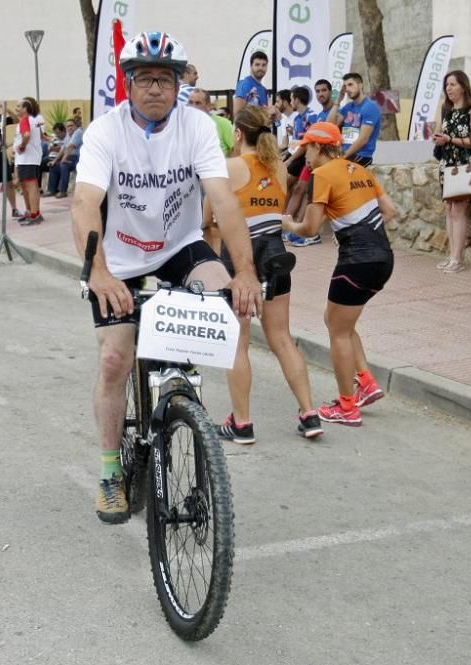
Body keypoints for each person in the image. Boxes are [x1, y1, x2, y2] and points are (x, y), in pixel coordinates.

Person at [71, 30, 263, 523]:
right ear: (128, 84)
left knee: (225, 301)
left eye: (165, 79)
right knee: (115, 359)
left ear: (179, 85)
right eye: (145, 78)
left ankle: (184, 399)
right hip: (119, 257)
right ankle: (111, 470)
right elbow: (85, 203)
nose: (155, 88)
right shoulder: (105, 132)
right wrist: (98, 273)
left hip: (179, 246)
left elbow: (222, 199)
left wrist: (244, 273)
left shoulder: (196, 126)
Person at [202, 104, 322, 443]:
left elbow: (207, 219)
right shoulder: (280, 168)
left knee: (238, 343)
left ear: (238, 134)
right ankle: (309, 413)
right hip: (276, 256)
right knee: (282, 338)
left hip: (240, 260)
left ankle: (242, 423)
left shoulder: (228, 167)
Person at [282, 122, 396, 426]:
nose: (303, 153)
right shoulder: (359, 169)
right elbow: (391, 210)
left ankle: (347, 406)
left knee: (338, 330)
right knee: (338, 321)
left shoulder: (321, 175)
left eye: (306, 146)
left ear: (319, 147)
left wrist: (288, 225)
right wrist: (363, 228)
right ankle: (366, 382)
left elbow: (309, 227)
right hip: (383, 259)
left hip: (356, 261)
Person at [432, 70, 471, 273]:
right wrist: (437, 137)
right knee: (449, 208)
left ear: (463, 86)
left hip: (465, 163)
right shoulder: (445, 109)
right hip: (447, 163)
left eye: (453, 84)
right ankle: (451, 255)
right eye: (447, 85)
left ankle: (457, 258)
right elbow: (439, 131)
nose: (449, 88)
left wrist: (450, 140)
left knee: (459, 210)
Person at [283, 86, 322, 247]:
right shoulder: (298, 118)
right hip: (300, 157)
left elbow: (309, 143)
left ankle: (301, 228)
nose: (290, 102)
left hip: (307, 159)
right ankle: (288, 224)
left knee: (307, 192)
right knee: (298, 188)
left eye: (291, 98)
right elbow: (296, 143)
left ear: (297, 99)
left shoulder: (312, 116)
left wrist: (290, 160)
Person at [328, 72, 381, 166]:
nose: (347, 89)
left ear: (360, 85)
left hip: (361, 155)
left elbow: (363, 139)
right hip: (345, 154)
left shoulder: (369, 106)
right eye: (345, 86)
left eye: (350, 85)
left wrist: (343, 157)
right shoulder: (348, 107)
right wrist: (338, 100)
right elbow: (330, 126)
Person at [13, 97, 44, 225]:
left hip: (27, 158)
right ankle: (34, 212)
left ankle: (34, 214)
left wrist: (21, 147)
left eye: (19, 106)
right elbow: (42, 135)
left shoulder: (25, 120)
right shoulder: (34, 120)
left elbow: (26, 135)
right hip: (34, 157)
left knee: (30, 186)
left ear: (25, 109)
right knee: (32, 186)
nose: (17, 109)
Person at [187, 88, 233, 156]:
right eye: (190, 102)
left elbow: (236, 148)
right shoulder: (184, 125)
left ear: (208, 106)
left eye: (198, 103)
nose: (193, 106)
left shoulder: (223, 123)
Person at [234, 50, 269, 116]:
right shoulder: (244, 84)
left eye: (264, 65)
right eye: (257, 65)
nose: (260, 68)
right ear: (251, 66)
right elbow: (237, 114)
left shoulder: (263, 90)